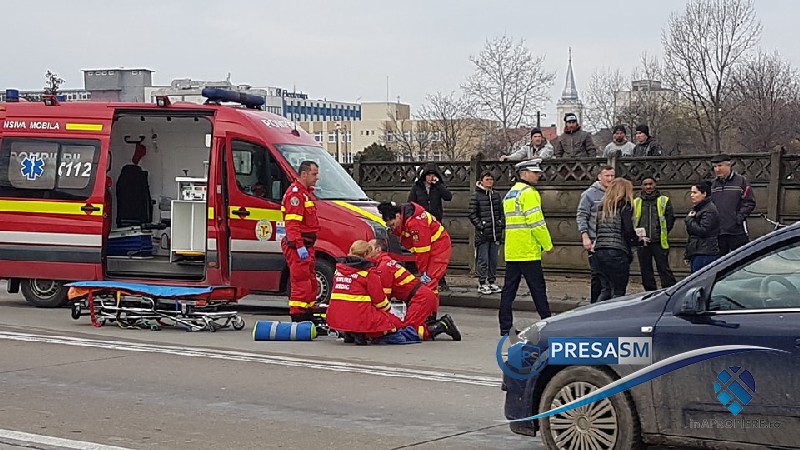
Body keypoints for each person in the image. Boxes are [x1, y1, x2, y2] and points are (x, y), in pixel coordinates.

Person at [366, 239, 461, 341]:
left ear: (378, 249)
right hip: (421, 296)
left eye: (369, 248)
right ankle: (433, 325)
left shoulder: (383, 267)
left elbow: (384, 298)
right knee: (409, 327)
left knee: (409, 332)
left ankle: (442, 325)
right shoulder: (386, 262)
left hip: (420, 298)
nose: (366, 251)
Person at [498, 159, 553, 336]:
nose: (538, 175)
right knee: (538, 288)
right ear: (525, 174)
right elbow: (536, 222)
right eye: (535, 173)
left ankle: (505, 326)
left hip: (513, 250)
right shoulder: (529, 193)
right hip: (528, 250)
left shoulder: (510, 193)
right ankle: (548, 321)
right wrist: (547, 244)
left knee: (509, 290)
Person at [326, 241, 415, 345]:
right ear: (365, 255)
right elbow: (380, 302)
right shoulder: (369, 274)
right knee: (392, 322)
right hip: (359, 318)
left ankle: (349, 333)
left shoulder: (338, 271)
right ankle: (359, 334)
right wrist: (390, 313)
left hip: (335, 317)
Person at [377, 201, 451, 297]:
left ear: (398, 216)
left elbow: (422, 251)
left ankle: (428, 308)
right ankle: (429, 306)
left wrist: (423, 272)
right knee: (428, 283)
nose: (393, 228)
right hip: (433, 247)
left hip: (439, 249)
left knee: (429, 282)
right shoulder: (408, 218)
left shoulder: (416, 223)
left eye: (393, 224)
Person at [592, 178, 646, 301]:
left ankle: (597, 315)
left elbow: (597, 230)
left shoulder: (602, 208)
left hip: (599, 252)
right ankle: (614, 318)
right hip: (617, 253)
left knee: (605, 289)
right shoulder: (625, 207)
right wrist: (639, 241)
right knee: (618, 292)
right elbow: (628, 231)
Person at [281, 160, 321, 322]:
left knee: (310, 281)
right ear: (304, 174)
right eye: (314, 174)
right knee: (300, 282)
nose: (317, 178)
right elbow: (293, 225)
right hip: (298, 245)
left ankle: (308, 312)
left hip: (306, 245)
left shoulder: (305, 193)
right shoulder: (296, 195)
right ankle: (298, 315)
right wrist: (299, 246)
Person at [408, 162, 452, 291]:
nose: (430, 177)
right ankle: (425, 279)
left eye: (433, 175)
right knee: (425, 254)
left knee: (438, 254)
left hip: (436, 225)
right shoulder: (417, 188)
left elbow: (448, 197)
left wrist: (438, 185)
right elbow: (411, 204)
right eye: (428, 175)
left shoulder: (438, 187)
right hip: (422, 226)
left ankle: (441, 280)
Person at [576, 165, 615, 303]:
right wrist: (585, 236)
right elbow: (582, 216)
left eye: (612, 176)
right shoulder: (589, 194)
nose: (610, 179)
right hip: (595, 241)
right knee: (597, 278)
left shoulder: (616, 192)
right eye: (607, 176)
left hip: (611, 242)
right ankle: (594, 306)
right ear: (599, 177)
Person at [633, 176, 677, 291]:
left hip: (659, 241)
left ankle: (669, 290)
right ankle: (650, 292)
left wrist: (660, 232)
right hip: (642, 242)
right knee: (645, 270)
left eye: (650, 184)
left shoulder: (664, 200)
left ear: (655, 185)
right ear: (642, 186)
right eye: (645, 184)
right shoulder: (636, 202)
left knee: (664, 268)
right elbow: (633, 220)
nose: (648, 187)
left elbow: (670, 219)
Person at [710, 153, 756, 254]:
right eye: (715, 167)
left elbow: (749, 202)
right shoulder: (713, 185)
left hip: (736, 232)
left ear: (728, 165)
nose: (717, 169)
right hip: (718, 232)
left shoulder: (741, 181)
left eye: (720, 166)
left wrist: (738, 218)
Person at [468, 171, 505, 294]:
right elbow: (472, 214)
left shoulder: (496, 195)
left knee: (493, 260)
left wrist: (501, 224)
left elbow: (501, 212)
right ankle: (482, 282)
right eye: (487, 179)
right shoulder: (476, 196)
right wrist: (481, 226)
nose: (490, 182)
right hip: (483, 234)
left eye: (491, 180)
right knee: (483, 259)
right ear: (481, 181)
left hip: (495, 233)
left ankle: (492, 281)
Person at [685, 182, 721, 273]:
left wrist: (689, 220)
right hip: (698, 251)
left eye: (695, 192)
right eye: (691, 193)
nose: (692, 195)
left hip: (705, 252)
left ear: (704, 194)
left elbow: (702, 231)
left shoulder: (709, 210)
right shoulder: (700, 208)